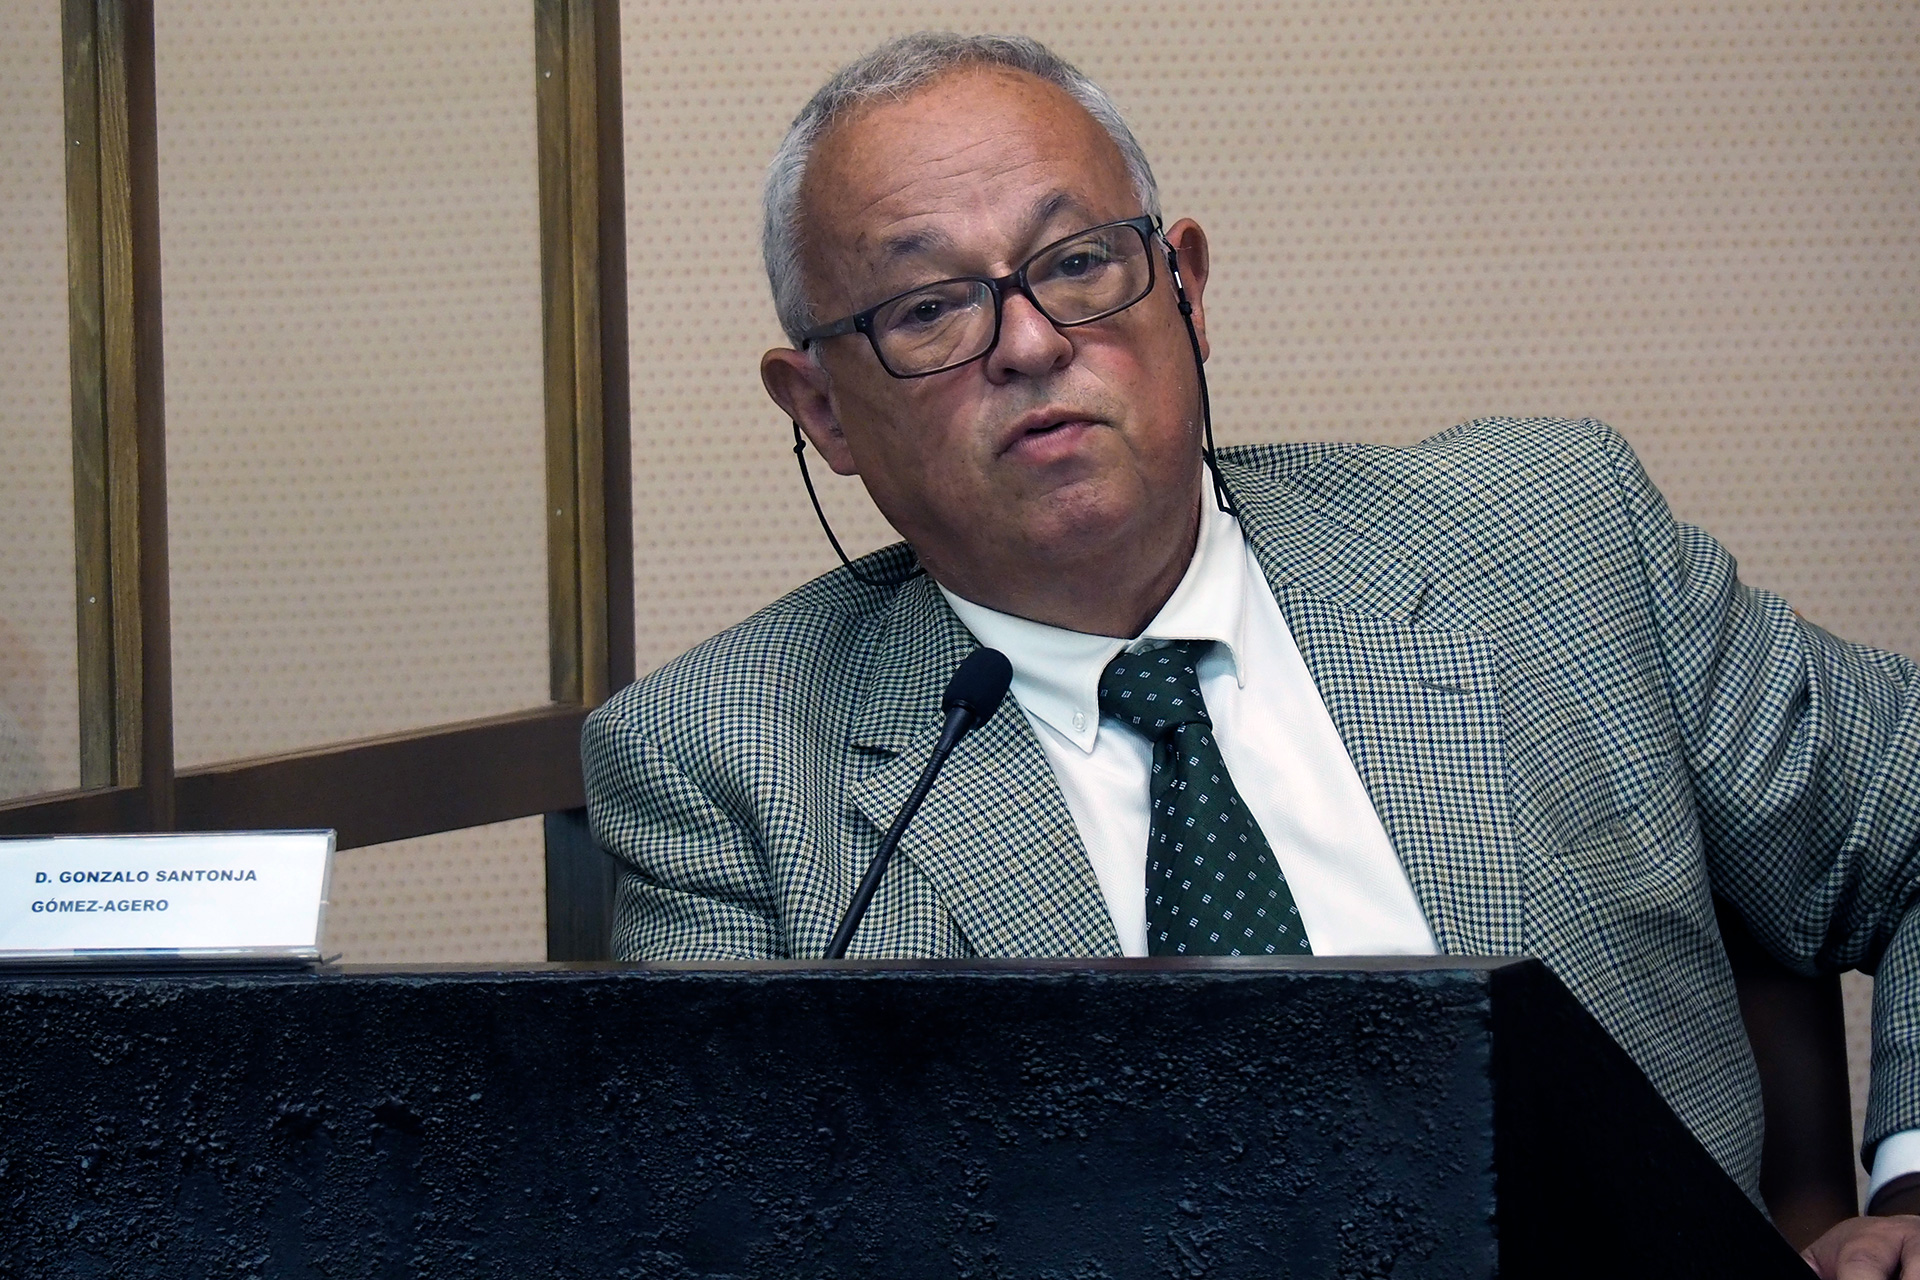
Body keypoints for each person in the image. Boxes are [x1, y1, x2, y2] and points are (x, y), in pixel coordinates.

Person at [582, 32, 1920, 1276]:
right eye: (931, 309)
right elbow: (734, 1231)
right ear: (823, 406)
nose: (1034, 344)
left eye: (1078, 263)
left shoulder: (1551, 540)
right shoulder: (723, 763)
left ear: (1187, 287)